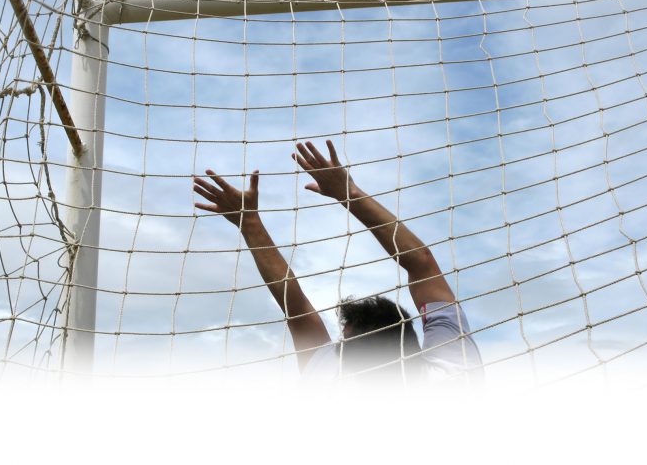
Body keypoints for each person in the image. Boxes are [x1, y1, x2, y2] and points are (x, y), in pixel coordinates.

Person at [193, 140, 483, 386]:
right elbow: (423, 264)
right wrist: (349, 192)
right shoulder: (452, 375)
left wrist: (249, 223)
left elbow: (297, 310)